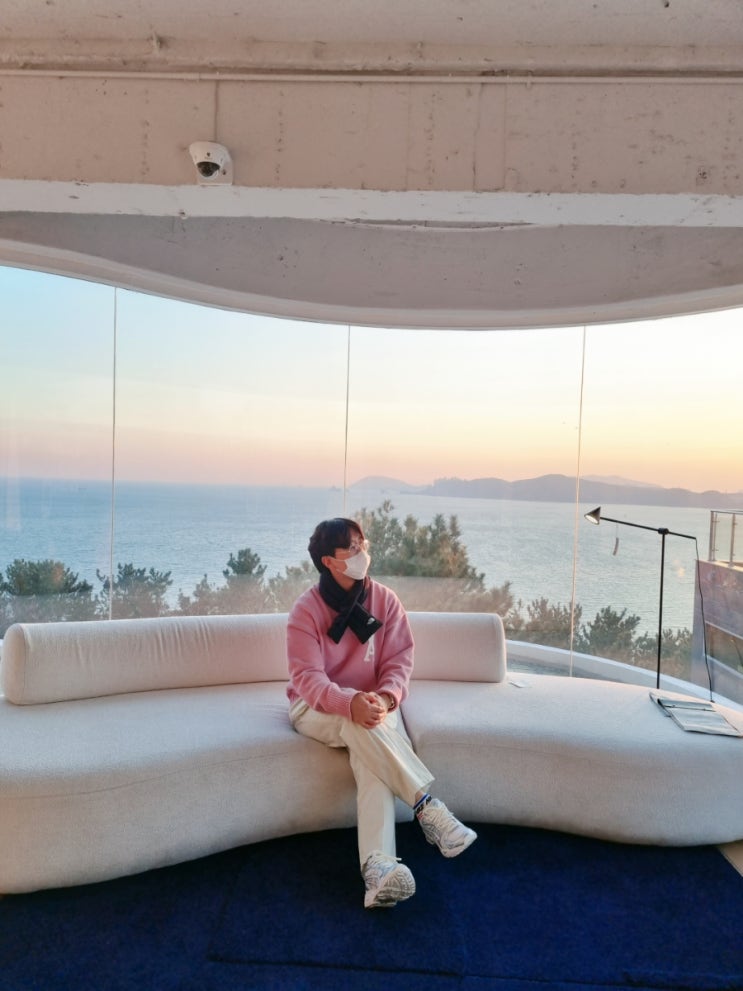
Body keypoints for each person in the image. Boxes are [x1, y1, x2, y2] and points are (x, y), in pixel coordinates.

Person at [286, 517, 477, 909]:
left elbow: (399, 661)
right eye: (352, 548)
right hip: (314, 706)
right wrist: (348, 703)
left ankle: (380, 871)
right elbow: (307, 678)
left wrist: (386, 699)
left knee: (368, 749)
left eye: (363, 543)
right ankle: (426, 807)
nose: (363, 552)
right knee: (358, 723)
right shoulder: (306, 610)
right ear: (329, 561)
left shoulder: (385, 600)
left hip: (374, 704)